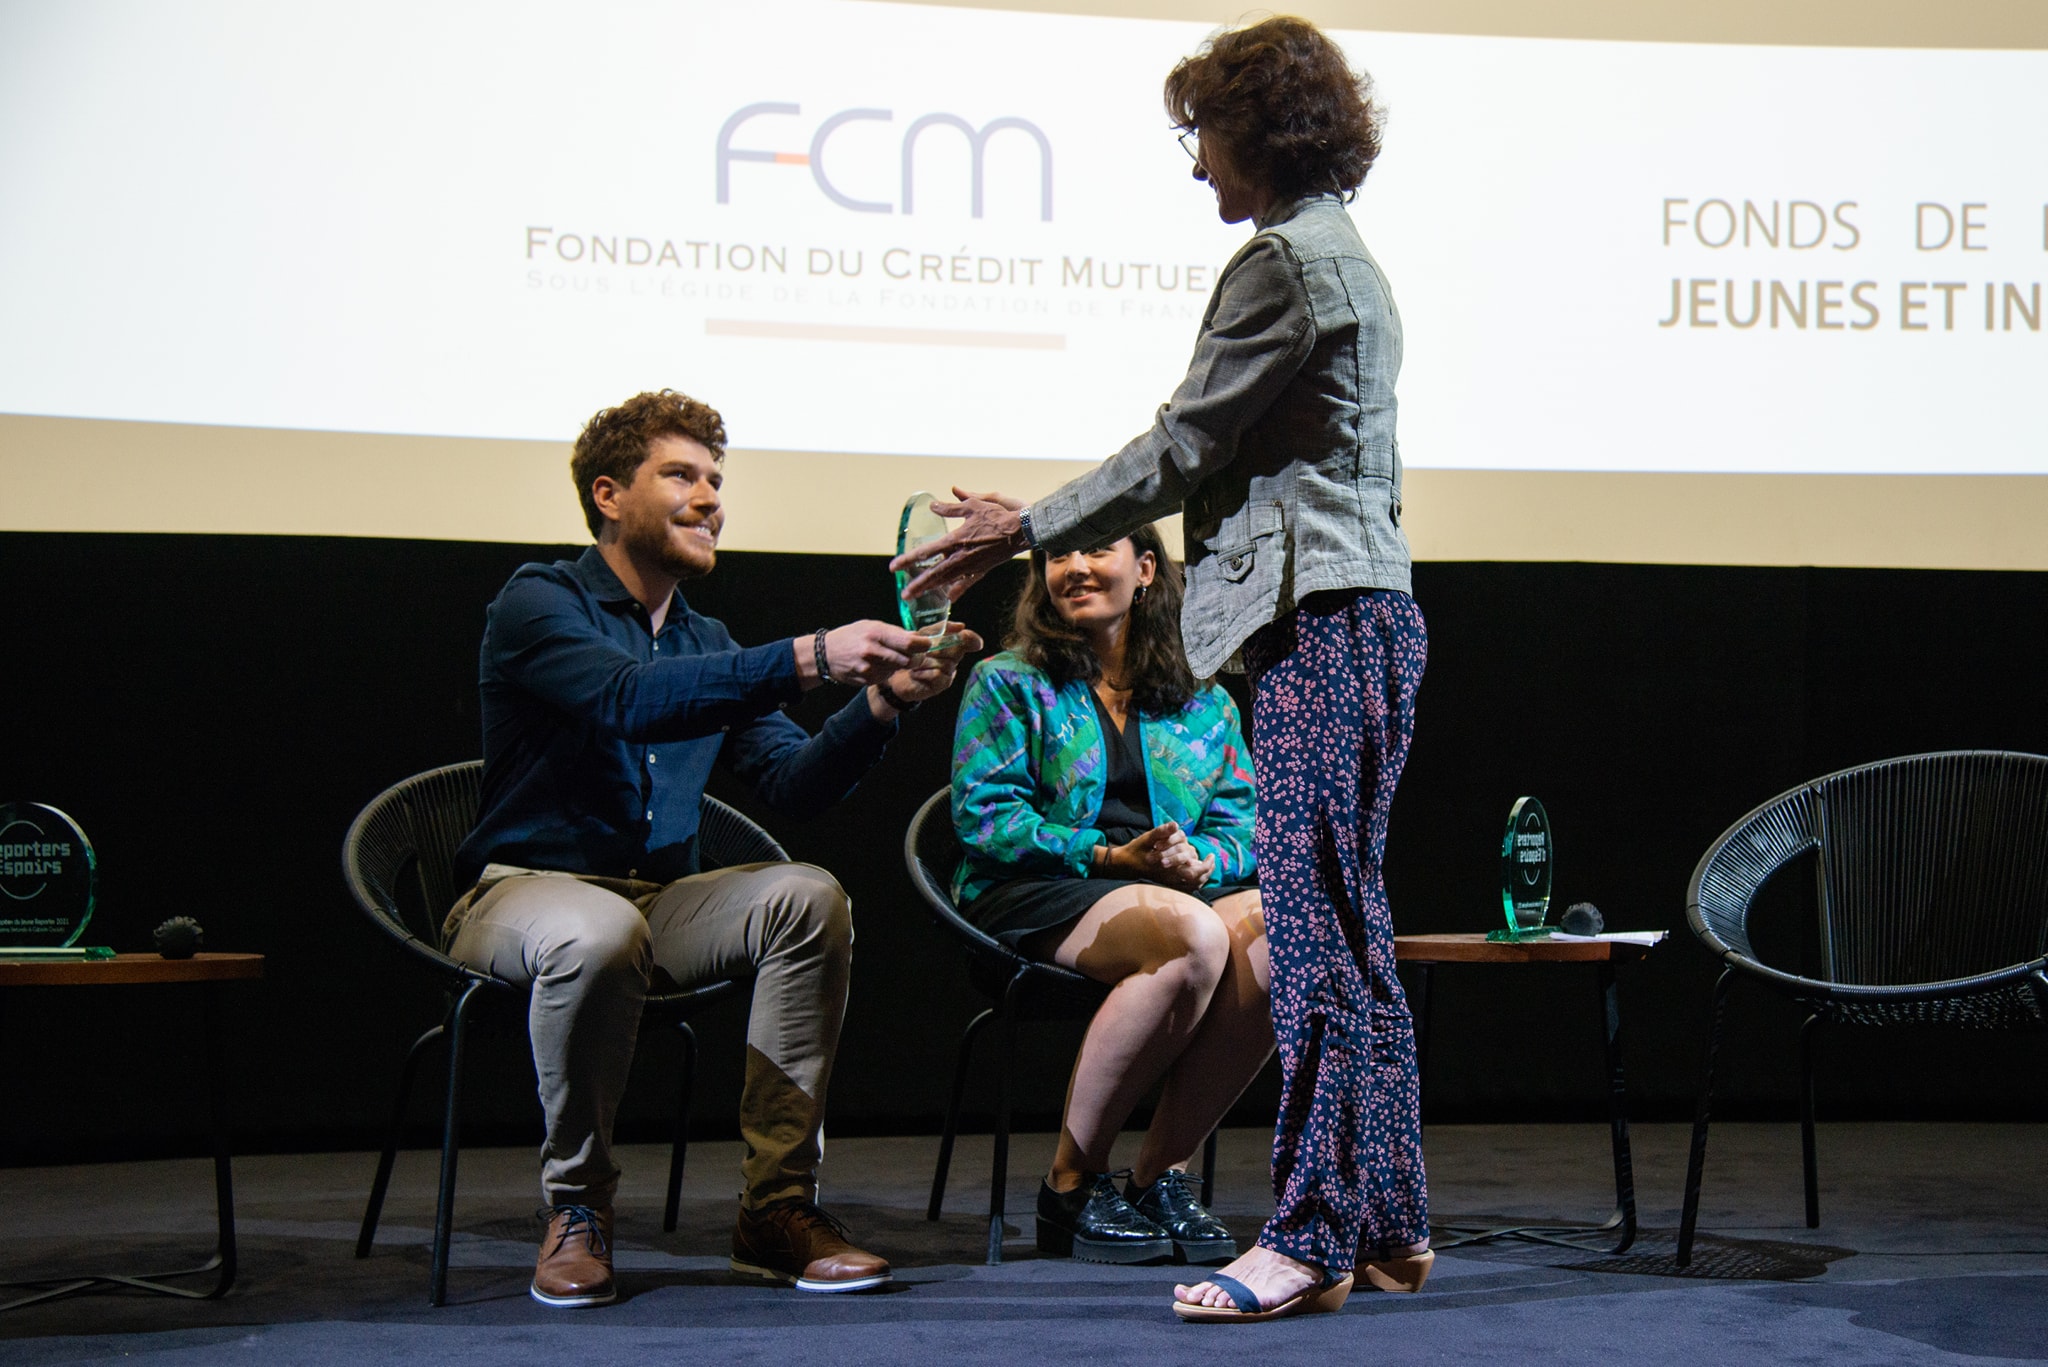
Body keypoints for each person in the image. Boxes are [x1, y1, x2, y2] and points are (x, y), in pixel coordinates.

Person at [894, 17, 1431, 1322]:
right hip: (1355, 616)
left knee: (1313, 936)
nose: (1196, 166)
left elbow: (1181, 447)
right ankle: (1391, 1220)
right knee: (1346, 931)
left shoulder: (1284, 263)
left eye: (1204, 135)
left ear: (1264, 128)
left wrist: (1023, 528)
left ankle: (1307, 1230)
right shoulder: (1339, 256)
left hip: (1328, 618)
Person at [448, 388, 980, 1307]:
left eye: (716, 480)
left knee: (807, 895)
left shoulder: (705, 639)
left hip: (656, 903)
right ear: (609, 495)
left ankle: (776, 1209)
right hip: (522, 894)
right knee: (593, 930)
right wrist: (812, 655)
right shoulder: (538, 603)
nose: (709, 498)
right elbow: (626, 698)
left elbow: (793, 783)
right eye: (681, 475)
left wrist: (884, 701)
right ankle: (576, 1208)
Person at [951, 523, 1264, 1266]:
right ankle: (1071, 1182)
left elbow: (1243, 827)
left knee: (1276, 932)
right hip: (1031, 890)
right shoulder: (1009, 679)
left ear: (1146, 568)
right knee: (1191, 934)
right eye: (1058, 554)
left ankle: (1159, 1175)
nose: (1075, 567)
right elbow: (984, 816)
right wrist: (1102, 852)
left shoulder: (1205, 701)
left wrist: (1201, 860)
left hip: (1163, 894)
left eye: (1096, 549)